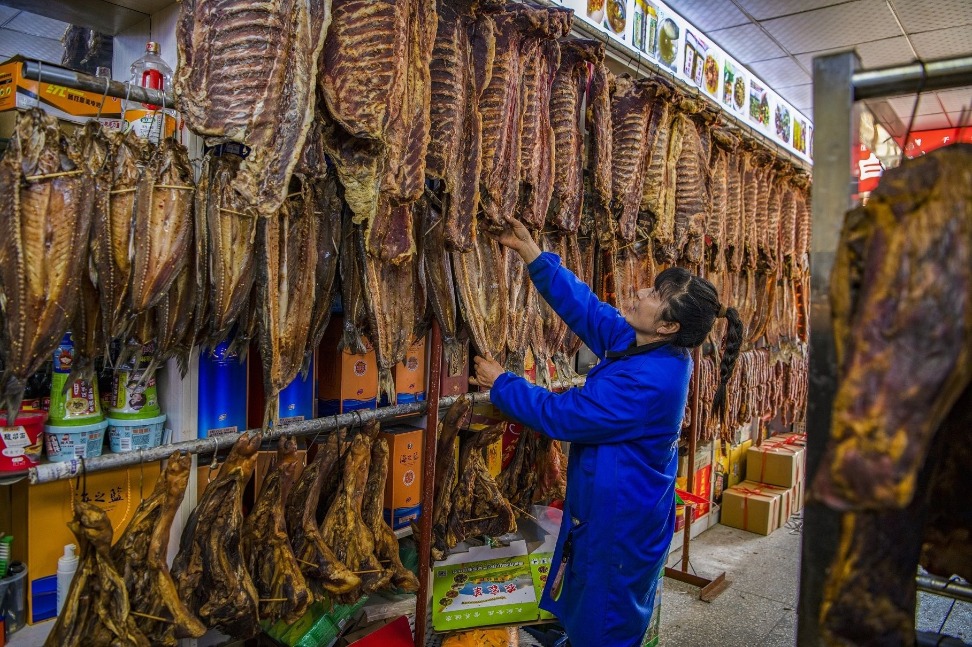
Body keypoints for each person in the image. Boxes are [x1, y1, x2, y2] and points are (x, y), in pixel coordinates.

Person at [470, 219, 743, 646]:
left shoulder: (651, 380)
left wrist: (503, 384)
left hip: (620, 526)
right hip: (609, 511)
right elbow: (590, 311)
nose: (640, 292)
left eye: (655, 295)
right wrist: (533, 255)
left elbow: (564, 416)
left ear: (669, 326)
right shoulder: (646, 346)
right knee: (586, 609)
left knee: (606, 624)